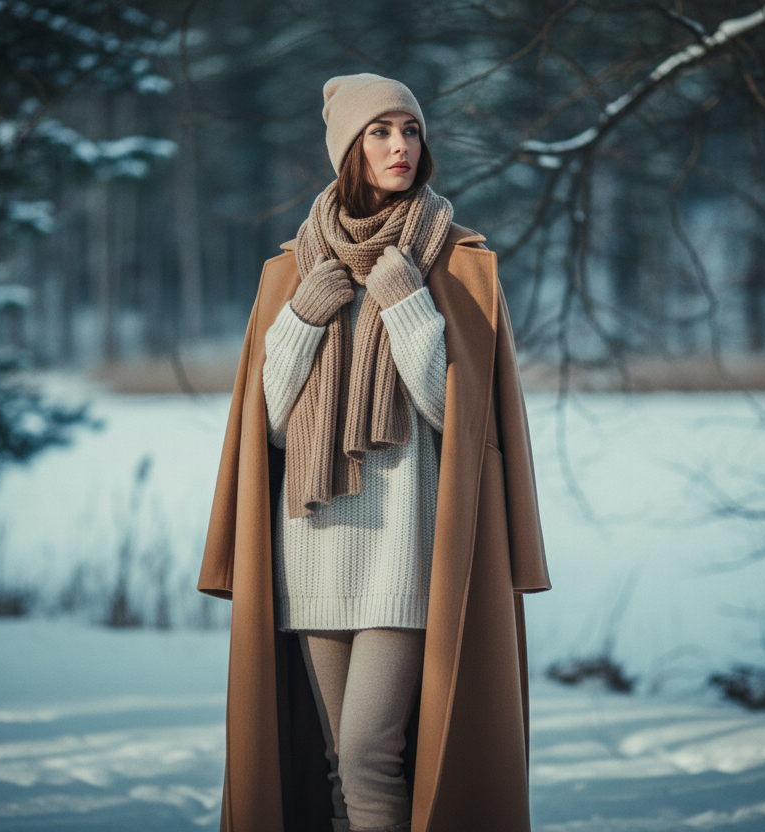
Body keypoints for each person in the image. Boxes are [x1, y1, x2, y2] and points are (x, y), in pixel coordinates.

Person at [199, 73, 550, 832]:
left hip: (404, 555)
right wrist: (300, 318)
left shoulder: (455, 266)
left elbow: (456, 421)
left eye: (410, 131)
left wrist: (406, 304)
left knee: (367, 756)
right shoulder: (291, 273)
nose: (399, 146)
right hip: (313, 549)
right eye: (380, 132)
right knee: (334, 767)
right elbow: (268, 431)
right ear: (347, 152)